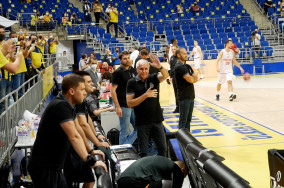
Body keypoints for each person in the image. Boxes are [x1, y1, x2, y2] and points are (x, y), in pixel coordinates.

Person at [28, 74, 107, 187]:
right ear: (71, 91)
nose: (85, 93)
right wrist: (91, 161)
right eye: (82, 89)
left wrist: (90, 152)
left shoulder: (68, 105)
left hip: (54, 167)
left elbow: (78, 131)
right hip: (44, 167)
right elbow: (73, 136)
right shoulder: (61, 106)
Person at [126, 56, 169, 157]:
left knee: (163, 148)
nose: (144, 71)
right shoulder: (131, 82)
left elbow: (166, 75)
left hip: (157, 120)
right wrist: (145, 95)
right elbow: (130, 103)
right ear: (137, 69)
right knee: (143, 152)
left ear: (148, 69)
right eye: (141, 69)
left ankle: (160, 169)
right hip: (142, 122)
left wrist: (160, 67)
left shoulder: (153, 78)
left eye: (146, 69)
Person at [111, 51, 137, 144]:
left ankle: (125, 146)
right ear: (120, 60)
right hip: (123, 105)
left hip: (133, 104)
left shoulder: (132, 70)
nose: (127, 60)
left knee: (139, 128)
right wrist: (117, 107)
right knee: (124, 131)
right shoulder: (118, 72)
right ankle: (121, 151)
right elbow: (112, 90)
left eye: (128, 58)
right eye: (125, 58)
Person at [117, 156, 188, 188]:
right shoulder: (176, 168)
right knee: (167, 184)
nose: (183, 177)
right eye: (184, 175)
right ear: (183, 169)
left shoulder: (163, 162)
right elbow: (177, 186)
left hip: (123, 180)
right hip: (134, 181)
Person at [174, 48, 198, 130]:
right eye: (184, 53)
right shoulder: (179, 67)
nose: (186, 55)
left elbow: (195, 80)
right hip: (184, 97)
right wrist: (194, 74)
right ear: (178, 55)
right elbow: (191, 79)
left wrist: (194, 76)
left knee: (188, 120)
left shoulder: (186, 66)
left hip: (190, 96)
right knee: (183, 121)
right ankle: (181, 140)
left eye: (186, 53)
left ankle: (187, 139)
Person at [0, 39, 23, 114]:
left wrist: (6, 51)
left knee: (6, 100)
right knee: (2, 103)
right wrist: (19, 57)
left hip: (8, 77)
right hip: (3, 78)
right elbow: (14, 68)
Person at [170, 46, 179, 113]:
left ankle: (181, 107)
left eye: (174, 49)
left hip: (180, 77)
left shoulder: (179, 57)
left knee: (180, 92)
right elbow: (171, 68)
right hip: (174, 77)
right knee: (175, 92)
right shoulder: (171, 58)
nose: (173, 50)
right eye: (172, 49)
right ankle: (177, 107)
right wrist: (170, 77)